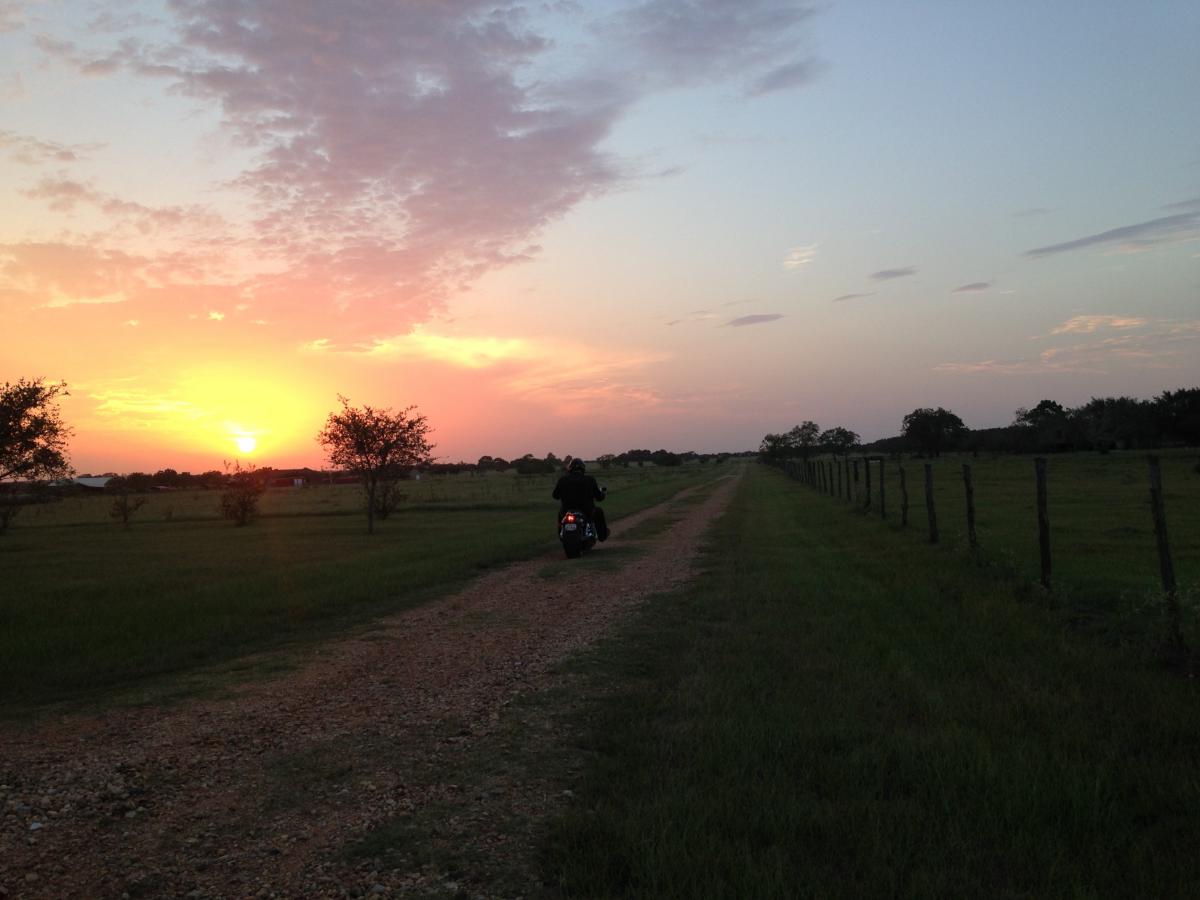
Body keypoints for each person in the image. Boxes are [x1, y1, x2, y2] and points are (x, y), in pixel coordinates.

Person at [552, 457, 609, 541]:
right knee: (599, 511)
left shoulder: (562, 480)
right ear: (583, 469)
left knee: (560, 515)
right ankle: (602, 536)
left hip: (566, 510)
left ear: (570, 469)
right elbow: (599, 497)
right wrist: (602, 494)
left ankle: (561, 535)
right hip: (586, 510)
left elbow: (555, 495)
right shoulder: (589, 479)